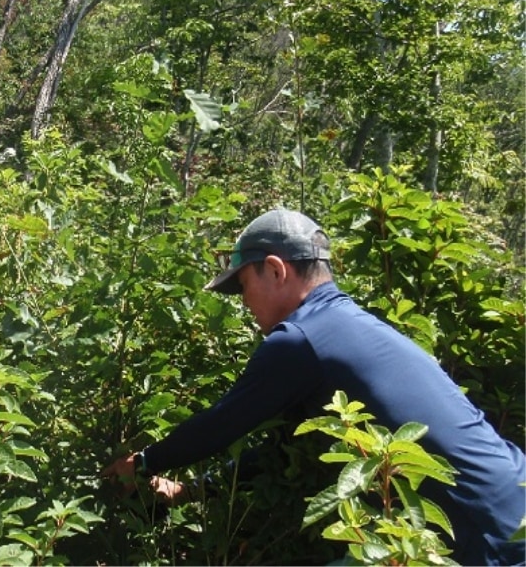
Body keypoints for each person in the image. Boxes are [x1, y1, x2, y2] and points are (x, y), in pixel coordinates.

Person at [103, 208, 526, 566]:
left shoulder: (299, 341)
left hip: (489, 536)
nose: (244, 302)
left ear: (275, 269)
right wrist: (189, 491)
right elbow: (278, 448)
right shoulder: (345, 326)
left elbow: (222, 423)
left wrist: (142, 462)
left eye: (244, 286)